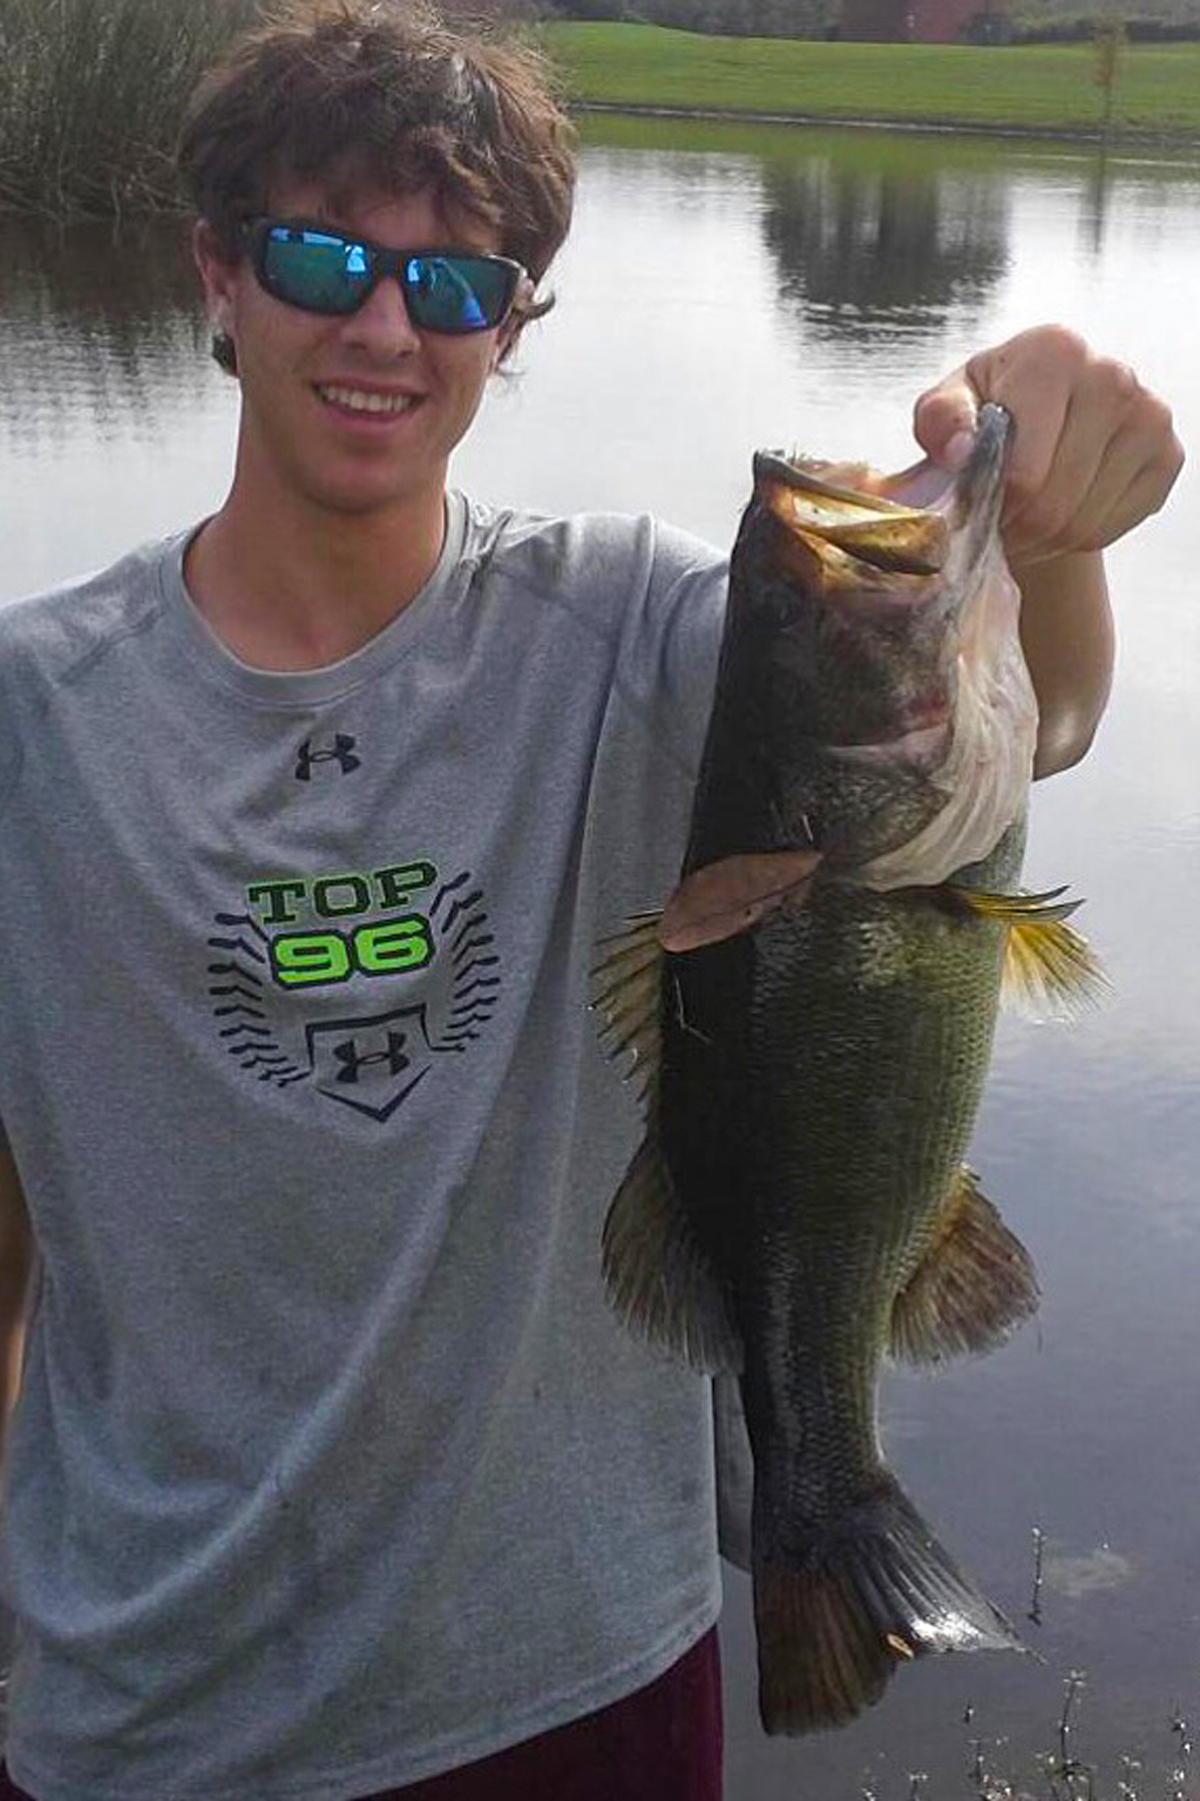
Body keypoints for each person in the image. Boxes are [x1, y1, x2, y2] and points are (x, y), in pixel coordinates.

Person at [0, 2, 1183, 1798]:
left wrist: (1055, 501)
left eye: (460, 286)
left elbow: (1040, 726)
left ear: (515, 330)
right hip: (150, 1705)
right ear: (216, 273)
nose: (388, 325)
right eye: (324, 256)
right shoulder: (36, 722)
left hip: (579, 1683)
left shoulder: (621, 637)